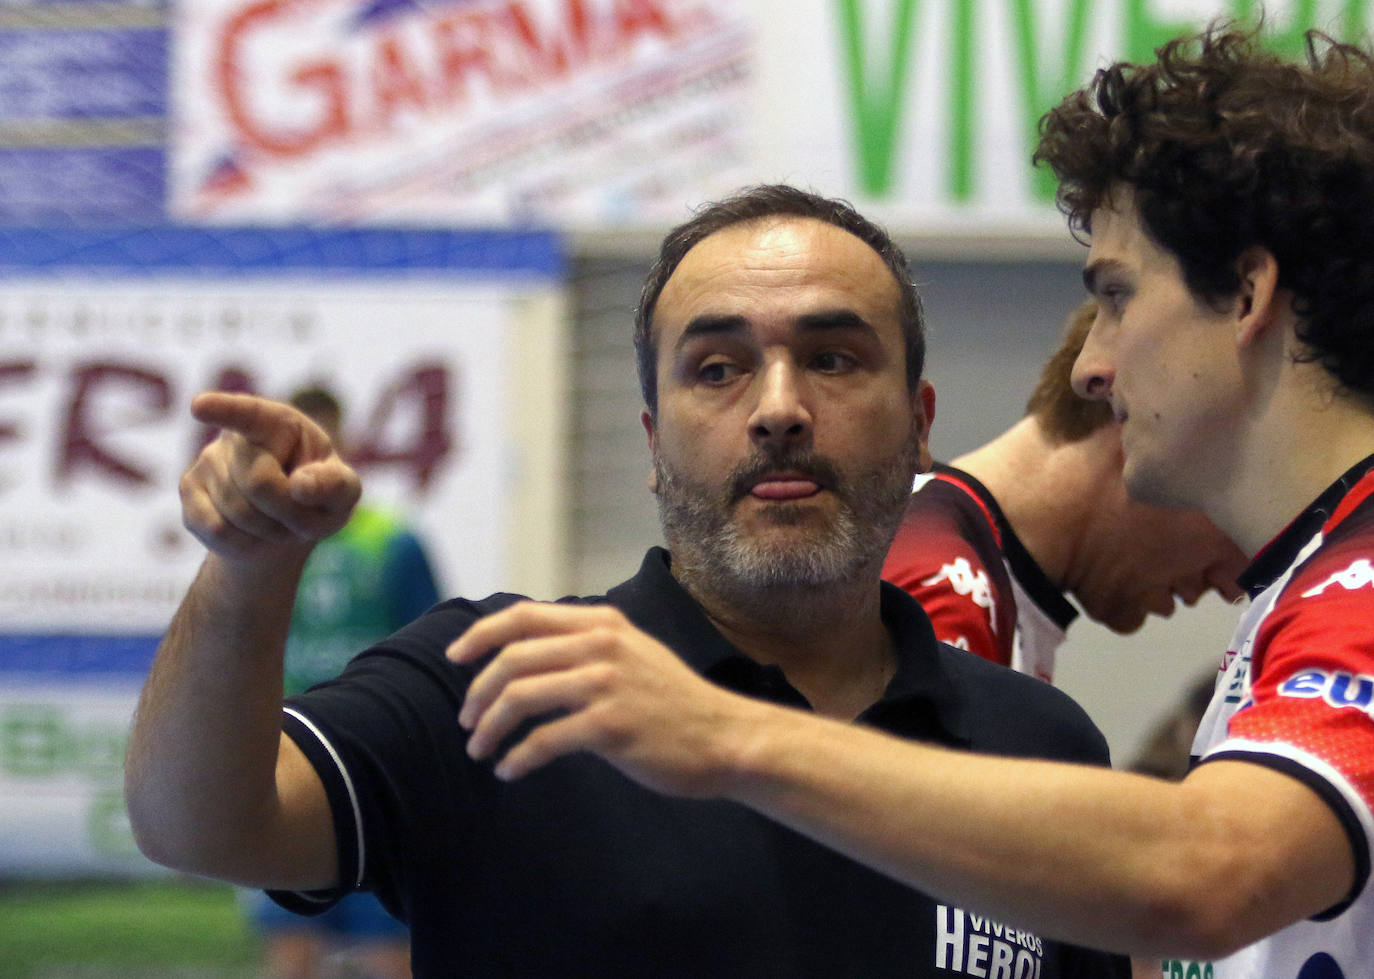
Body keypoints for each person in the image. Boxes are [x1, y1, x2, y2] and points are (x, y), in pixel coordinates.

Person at [416, 27, 1374, 979]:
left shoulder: (1359, 584)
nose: (1091, 365)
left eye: (1117, 295)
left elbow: (1206, 872)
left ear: (1247, 292)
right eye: (717, 370)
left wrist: (722, 732)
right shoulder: (1309, 587)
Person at [124, 185, 1130, 976]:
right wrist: (247, 570)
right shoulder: (498, 685)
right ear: (653, 440)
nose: (779, 407)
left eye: (831, 357)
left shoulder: (1040, 749)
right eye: (717, 369)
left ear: (918, 422)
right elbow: (197, 820)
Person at [882, 298, 1246, 681]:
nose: (1232, 584)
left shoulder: (965, 573)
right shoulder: (943, 584)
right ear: (1143, 423)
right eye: (1237, 497)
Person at [243, 385, 437, 979]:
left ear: (344, 444)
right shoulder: (255, 543)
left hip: (377, 774)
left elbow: (430, 657)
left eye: (319, 441)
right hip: (281, 771)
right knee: (291, 954)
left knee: (390, 955)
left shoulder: (392, 540)